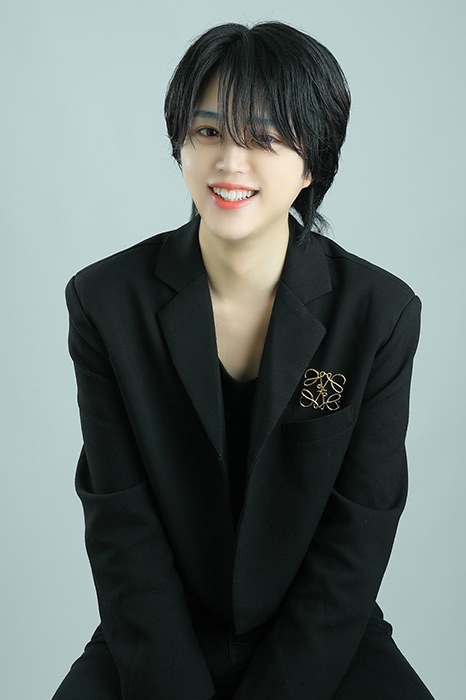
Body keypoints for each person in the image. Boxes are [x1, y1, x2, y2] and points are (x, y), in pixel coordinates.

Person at [52, 20, 435, 700]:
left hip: (322, 636)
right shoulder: (106, 302)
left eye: (264, 138)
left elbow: (358, 533)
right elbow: (120, 523)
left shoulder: (379, 314)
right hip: (159, 629)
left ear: (312, 163)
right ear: (180, 143)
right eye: (208, 132)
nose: (230, 162)